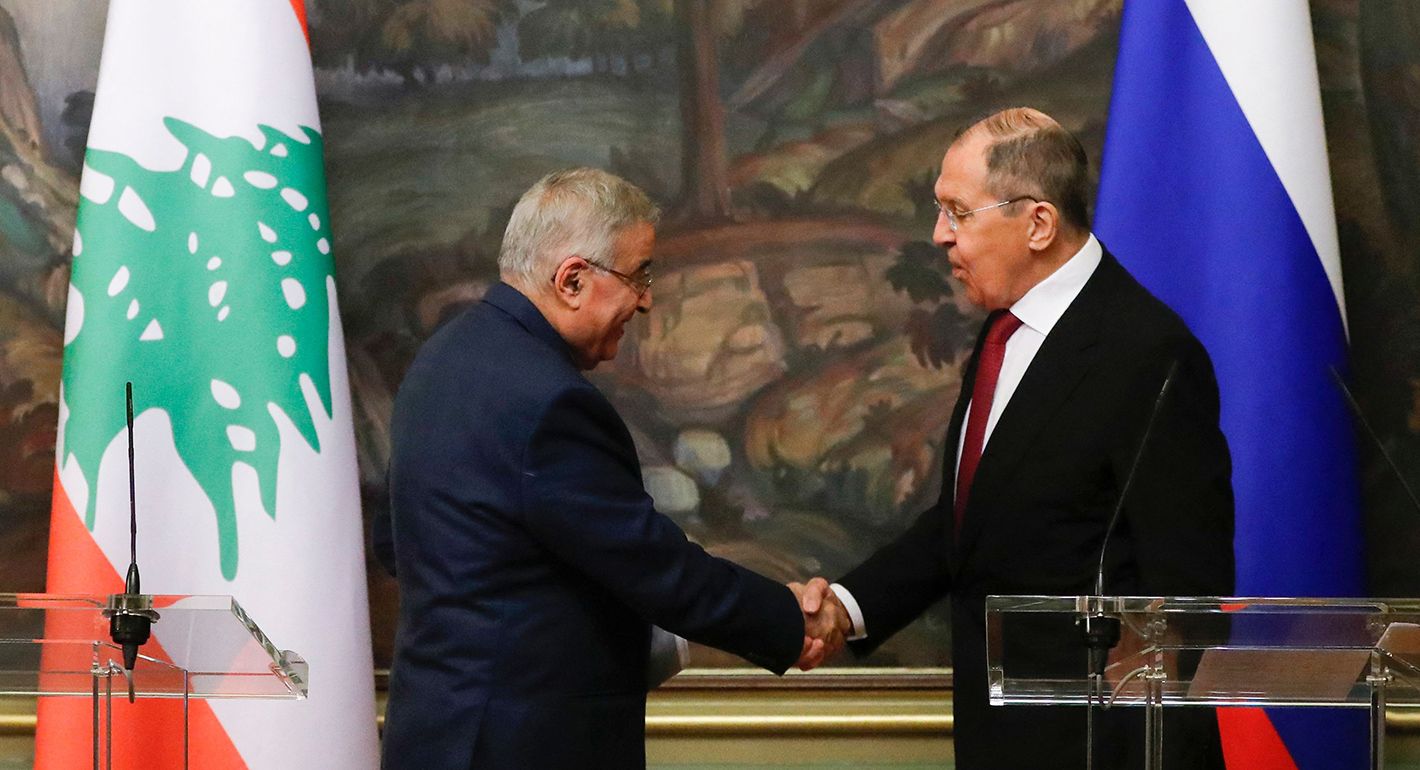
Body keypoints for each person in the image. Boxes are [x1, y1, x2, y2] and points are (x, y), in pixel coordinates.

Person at [796, 108, 1235, 768]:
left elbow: (1189, 587)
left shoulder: (1149, 353)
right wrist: (844, 608)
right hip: (999, 737)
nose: (939, 236)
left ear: (1037, 223)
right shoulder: (1003, 333)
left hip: (1102, 749)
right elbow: (969, 527)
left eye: (957, 211)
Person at [379, 168, 847, 770]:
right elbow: (656, 568)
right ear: (572, 279)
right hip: (524, 746)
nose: (647, 300)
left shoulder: (443, 358)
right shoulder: (548, 401)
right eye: (639, 275)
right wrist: (790, 619)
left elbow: (394, 542)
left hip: (437, 733)